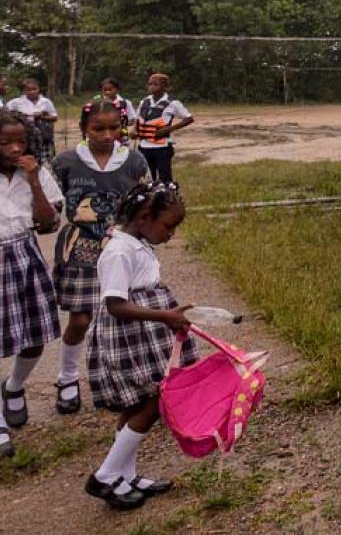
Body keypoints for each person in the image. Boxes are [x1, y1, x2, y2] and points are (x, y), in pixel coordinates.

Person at [84, 180, 196, 509]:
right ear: (146, 216)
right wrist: (164, 316)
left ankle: (125, 476)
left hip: (144, 334)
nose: (171, 234)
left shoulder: (136, 242)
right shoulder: (119, 251)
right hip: (128, 337)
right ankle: (104, 476)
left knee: (136, 406)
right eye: (169, 226)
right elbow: (115, 305)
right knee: (152, 403)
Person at [50, 99, 148, 415]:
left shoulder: (133, 160)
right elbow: (53, 202)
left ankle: (124, 379)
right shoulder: (65, 162)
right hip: (81, 248)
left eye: (114, 128)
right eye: (98, 129)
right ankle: (66, 378)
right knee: (80, 319)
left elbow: (143, 201)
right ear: (83, 129)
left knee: (123, 315)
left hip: (121, 249)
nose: (108, 135)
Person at [0, 109, 62, 458]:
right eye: (4, 142)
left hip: (25, 255)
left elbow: (48, 223)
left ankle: (14, 386)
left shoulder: (34, 174)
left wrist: (35, 180)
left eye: (20, 141)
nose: (13, 148)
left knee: (35, 338)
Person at [133, 74, 194, 182]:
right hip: (144, 146)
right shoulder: (144, 102)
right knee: (146, 179)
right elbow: (137, 119)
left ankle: (167, 198)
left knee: (165, 179)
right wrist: (134, 130)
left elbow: (188, 118)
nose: (151, 86)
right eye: (150, 84)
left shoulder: (173, 103)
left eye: (155, 84)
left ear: (164, 86)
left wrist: (168, 129)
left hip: (162, 147)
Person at [6, 78, 58, 163]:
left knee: (47, 161)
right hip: (27, 136)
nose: (32, 92)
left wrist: (42, 117)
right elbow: (5, 111)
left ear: (38, 89)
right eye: (28, 90)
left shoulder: (45, 101)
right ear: (24, 91)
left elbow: (55, 117)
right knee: (30, 158)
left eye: (34, 89)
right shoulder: (17, 102)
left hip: (44, 135)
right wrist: (20, 116)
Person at [98, 78, 137, 146]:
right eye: (105, 90)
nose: (107, 92)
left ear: (117, 89)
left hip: (121, 137)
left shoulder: (125, 103)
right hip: (103, 137)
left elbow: (132, 120)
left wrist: (120, 123)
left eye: (110, 89)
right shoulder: (98, 103)